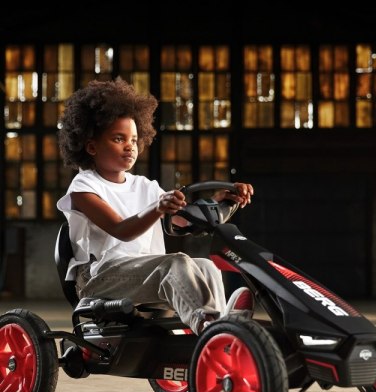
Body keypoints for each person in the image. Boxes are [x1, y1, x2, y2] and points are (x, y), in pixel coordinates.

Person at [57, 77, 254, 335]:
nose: (130, 147)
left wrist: (221, 200)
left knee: (206, 266)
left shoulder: (146, 186)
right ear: (92, 146)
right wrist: (158, 208)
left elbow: (185, 220)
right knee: (175, 263)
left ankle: (223, 326)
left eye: (134, 140)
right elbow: (121, 229)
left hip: (145, 272)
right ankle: (210, 326)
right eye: (118, 139)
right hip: (99, 279)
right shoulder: (84, 186)